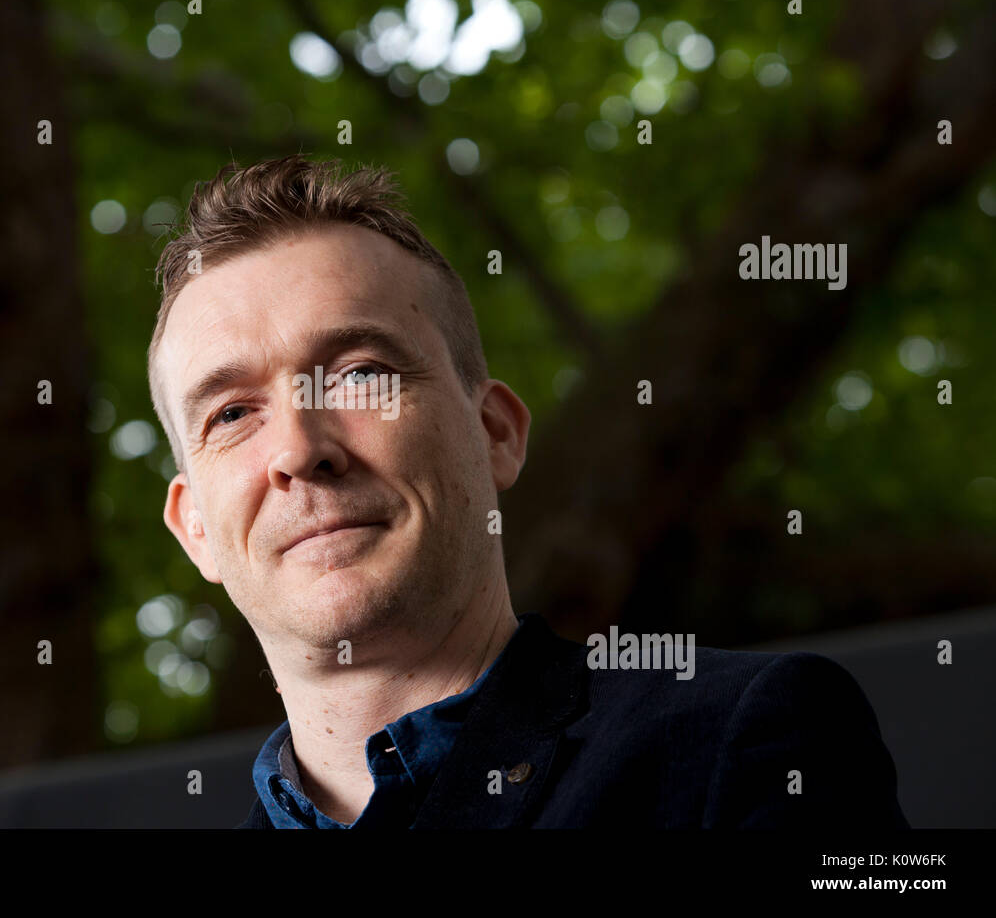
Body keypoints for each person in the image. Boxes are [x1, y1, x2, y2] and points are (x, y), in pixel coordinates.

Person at [146, 153, 909, 829]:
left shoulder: (743, 739)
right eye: (233, 413)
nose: (299, 451)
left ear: (497, 433)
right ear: (196, 531)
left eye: (360, 373)